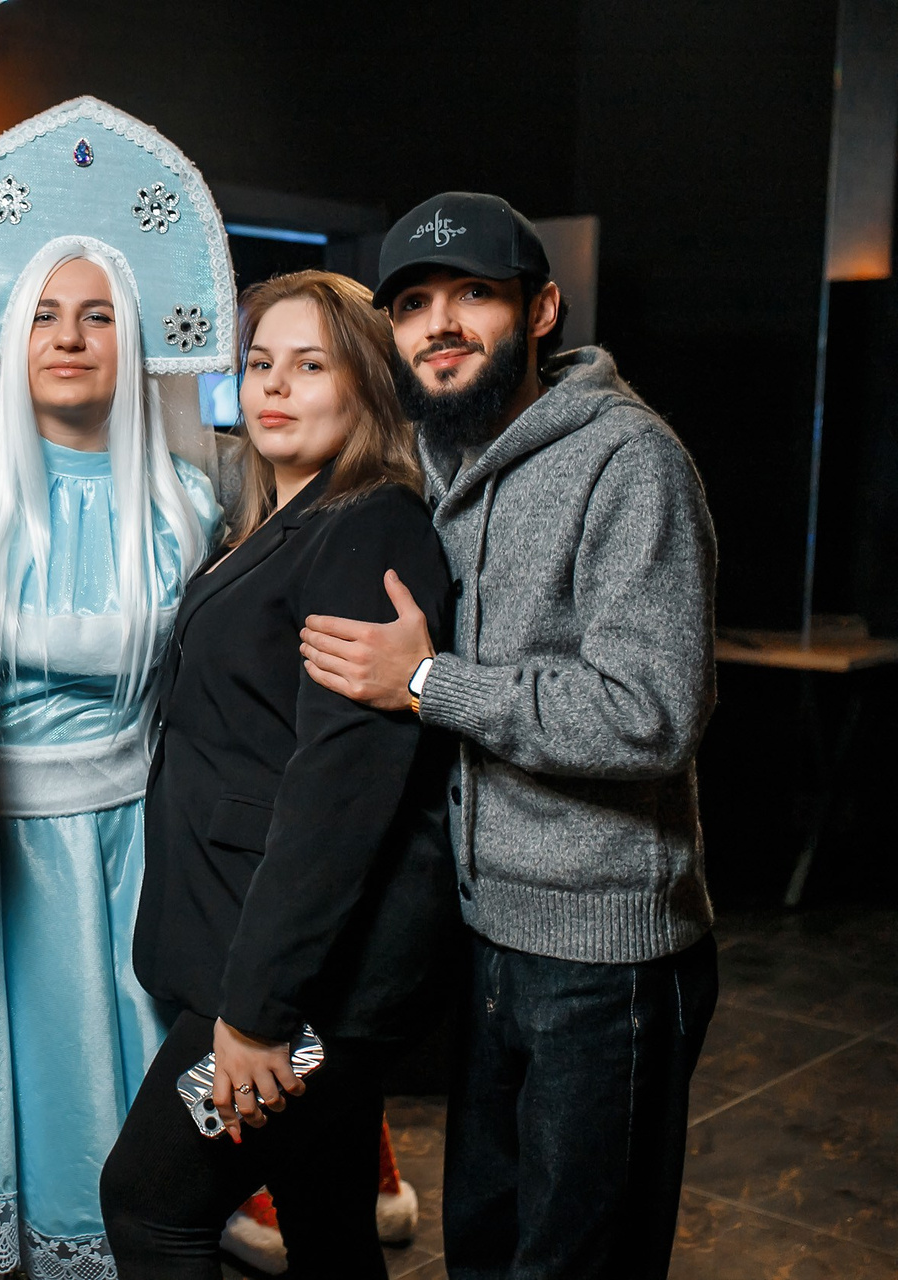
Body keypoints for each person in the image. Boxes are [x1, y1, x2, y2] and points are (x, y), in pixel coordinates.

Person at [298, 192, 718, 1278]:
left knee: (578, 1262)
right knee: (482, 1248)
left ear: (541, 311)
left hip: (610, 955)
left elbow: (650, 712)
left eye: (474, 293)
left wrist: (427, 681)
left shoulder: (630, 461)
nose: (440, 324)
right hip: (486, 937)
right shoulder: (428, 460)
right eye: (413, 304)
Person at [0, 97, 229, 1275]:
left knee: (121, 1145)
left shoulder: (186, 501)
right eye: (44, 314)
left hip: (130, 860)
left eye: (97, 317)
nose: (69, 338)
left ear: (132, 342)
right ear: (9, 334)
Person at [99, 271, 456, 1278]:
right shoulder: (284, 518)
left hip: (289, 987)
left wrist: (258, 1012)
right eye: (261, 364)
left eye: (311, 365)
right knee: (328, 1220)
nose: (276, 387)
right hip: (264, 956)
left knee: (150, 1204)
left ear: (368, 386)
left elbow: (341, 792)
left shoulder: (372, 526)